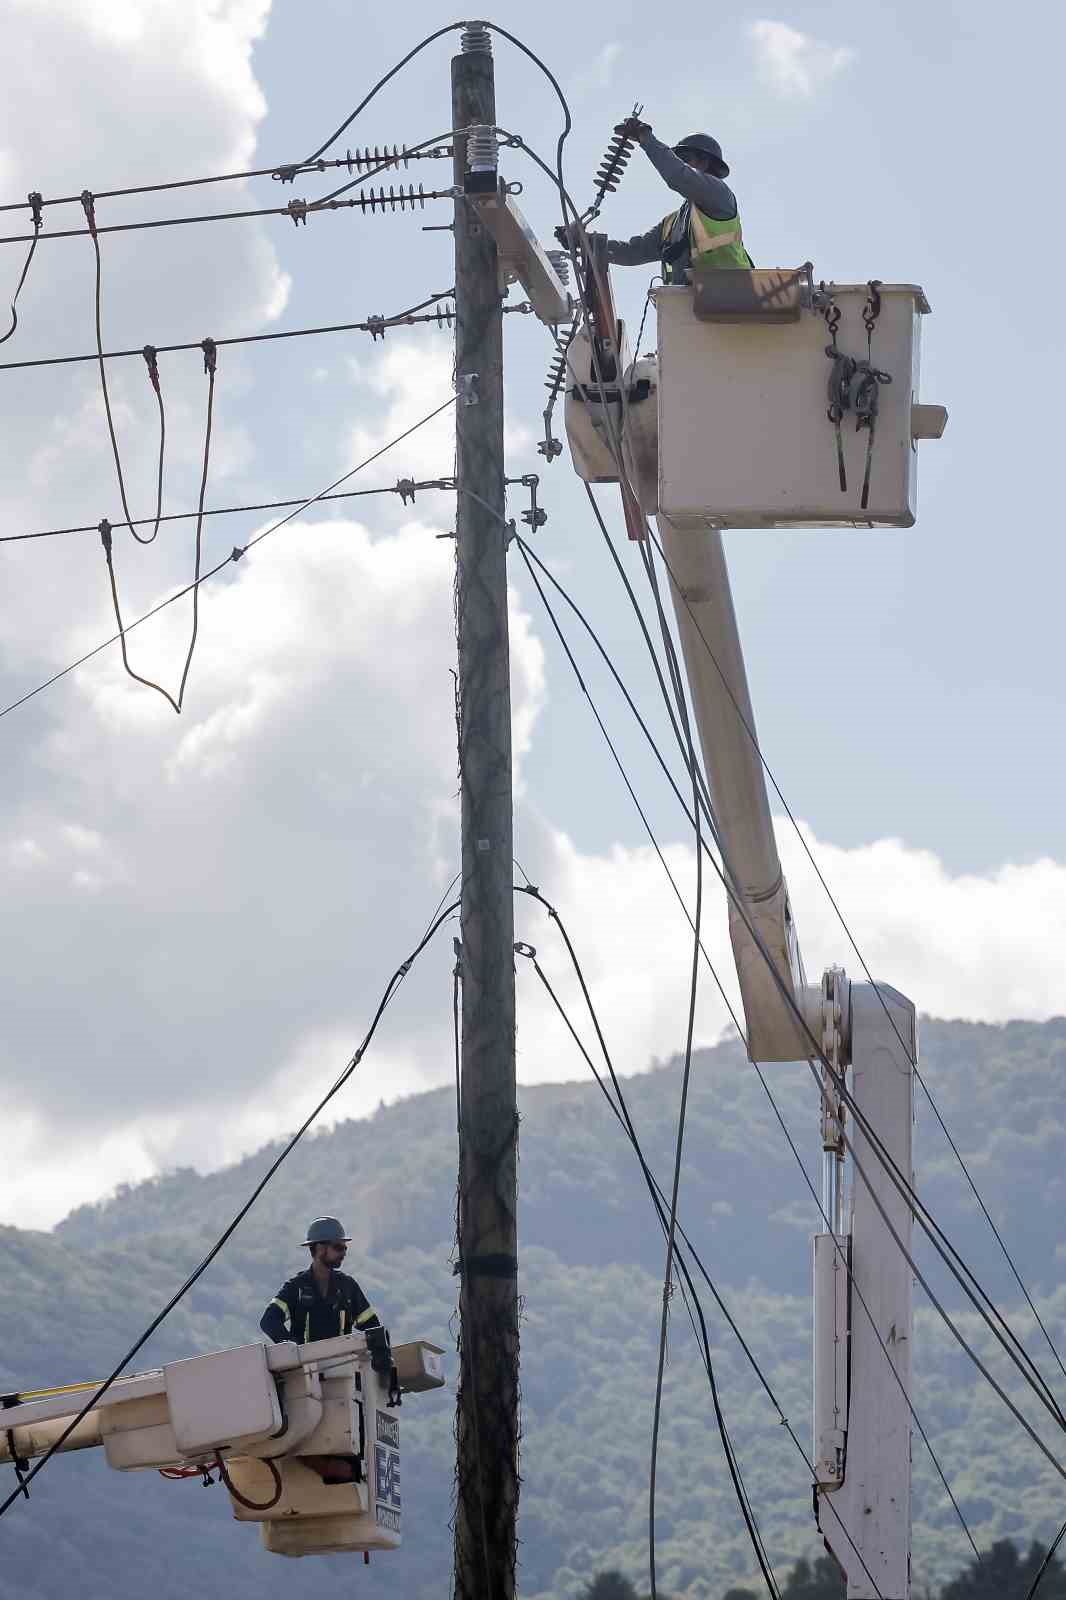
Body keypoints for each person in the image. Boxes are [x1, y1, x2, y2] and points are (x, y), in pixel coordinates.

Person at [260, 1216, 384, 1486]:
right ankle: (299, 1457)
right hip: (305, 1378)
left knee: (349, 1448)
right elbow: (269, 1321)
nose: (343, 1252)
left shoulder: (347, 1287)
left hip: (341, 1375)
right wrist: (293, 1349)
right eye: (338, 1247)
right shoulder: (296, 1287)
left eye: (344, 1247)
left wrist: (385, 1362)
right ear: (318, 1249)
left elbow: (372, 1327)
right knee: (315, 1437)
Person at [560, 120, 753, 282]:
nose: (680, 162)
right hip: (691, 310)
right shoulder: (673, 224)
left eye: (685, 158)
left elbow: (677, 175)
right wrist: (586, 242)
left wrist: (647, 139)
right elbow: (633, 252)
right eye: (678, 159)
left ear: (705, 163)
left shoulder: (719, 195)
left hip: (734, 301)